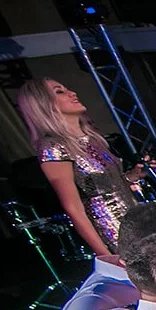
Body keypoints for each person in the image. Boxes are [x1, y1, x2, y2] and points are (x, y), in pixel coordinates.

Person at [16, 78, 138, 254]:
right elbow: (73, 207)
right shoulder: (53, 146)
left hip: (137, 220)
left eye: (67, 88)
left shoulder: (93, 140)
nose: (72, 93)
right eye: (59, 92)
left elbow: (105, 186)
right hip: (115, 228)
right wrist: (105, 255)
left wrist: (133, 176)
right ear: (44, 105)